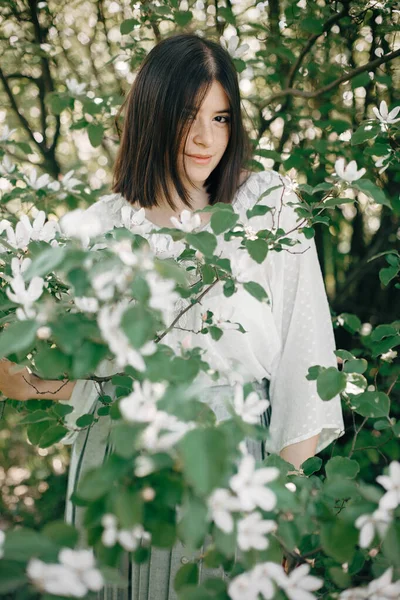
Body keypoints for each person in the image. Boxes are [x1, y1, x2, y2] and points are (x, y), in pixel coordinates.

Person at [0, 33, 344, 598]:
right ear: (153, 115)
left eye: (222, 117)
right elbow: (88, 376)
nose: (207, 138)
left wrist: (284, 507)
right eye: (188, 116)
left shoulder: (267, 209)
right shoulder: (98, 228)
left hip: (227, 463)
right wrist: (30, 385)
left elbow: (304, 368)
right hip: (114, 463)